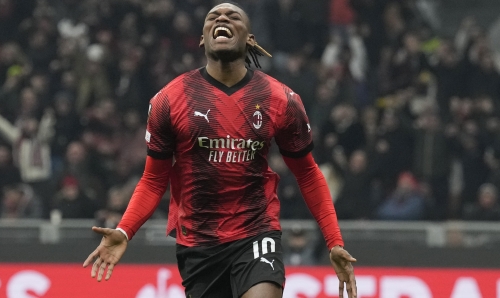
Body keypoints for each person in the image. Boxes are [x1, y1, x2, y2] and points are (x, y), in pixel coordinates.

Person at [83, 3, 357, 298]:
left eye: (233, 16)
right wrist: (125, 230)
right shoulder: (169, 100)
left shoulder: (280, 99)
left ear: (250, 38)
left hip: (257, 231)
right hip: (199, 244)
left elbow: (308, 174)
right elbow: (153, 180)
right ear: (203, 39)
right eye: (213, 17)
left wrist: (334, 241)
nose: (222, 18)